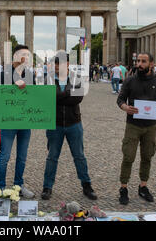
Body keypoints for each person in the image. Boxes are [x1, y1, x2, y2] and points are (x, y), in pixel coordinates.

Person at [41, 54, 97, 201]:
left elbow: (78, 98)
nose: (59, 67)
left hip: (74, 123)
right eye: (56, 64)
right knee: (52, 157)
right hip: (55, 124)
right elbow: (47, 98)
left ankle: (87, 185)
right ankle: (47, 187)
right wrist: (67, 92)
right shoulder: (49, 78)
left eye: (62, 64)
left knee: (79, 156)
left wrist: (59, 95)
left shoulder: (76, 77)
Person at [116, 53, 156, 205]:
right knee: (128, 156)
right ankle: (123, 187)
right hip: (132, 125)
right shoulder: (129, 80)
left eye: (143, 61)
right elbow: (120, 99)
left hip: (151, 126)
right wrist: (125, 107)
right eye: (138, 61)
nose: (139, 64)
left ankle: (143, 186)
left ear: (151, 64)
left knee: (147, 156)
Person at [0, 44, 35, 199]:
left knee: (22, 156)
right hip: (9, 120)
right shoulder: (5, 72)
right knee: (5, 156)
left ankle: (18, 185)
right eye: (24, 55)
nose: (26, 58)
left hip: (25, 120)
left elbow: (34, 94)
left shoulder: (29, 73)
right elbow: (0, 93)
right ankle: (0, 188)